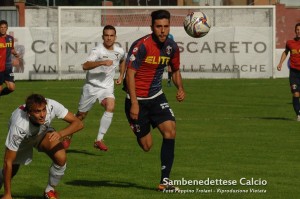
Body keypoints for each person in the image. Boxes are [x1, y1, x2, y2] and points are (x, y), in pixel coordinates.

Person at [124, 10, 185, 191]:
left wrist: (180, 88)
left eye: (166, 26)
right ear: (152, 27)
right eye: (159, 27)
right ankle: (138, 125)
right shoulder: (141, 45)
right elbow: (130, 74)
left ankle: (165, 181)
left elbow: (174, 71)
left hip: (157, 97)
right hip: (137, 100)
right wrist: (134, 103)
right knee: (147, 146)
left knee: (170, 130)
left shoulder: (172, 47)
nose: (162, 30)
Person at [0, 94, 83, 199]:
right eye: (37, 111)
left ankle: (49, 191)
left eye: (44, 110)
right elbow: (8, 161)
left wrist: (60, 134)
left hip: (42, 133)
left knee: (61, 157)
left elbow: (78, 123)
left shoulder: (52, 105)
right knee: (12, 170)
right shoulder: (19, 126)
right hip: (24, 140)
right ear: (29, 113)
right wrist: (8, 194)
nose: (42, 114)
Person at [63, 25, 125, 151]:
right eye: (106, 35)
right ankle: (67, 136)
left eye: (111, 35)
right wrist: (102, 62)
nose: (109, 38)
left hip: (107, 87)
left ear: (115, 37)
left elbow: (123, 60)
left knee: (111, 106)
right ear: (103, 37)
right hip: (91, 87)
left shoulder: (120, 51)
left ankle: (99, 140)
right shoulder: (97, 51)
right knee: (81, 116)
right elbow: (85, 66)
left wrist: (121, 75)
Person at [277, 23, 300, 121]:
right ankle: (298, 114)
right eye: (297, 29)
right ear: (295, 31)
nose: (299, 31)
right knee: (296, 93)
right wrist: (280, 63)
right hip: (294, 73)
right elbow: (286, 52)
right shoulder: (290, 42)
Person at [0, 20, 19, 96]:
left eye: (4, 27)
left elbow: (11, 48)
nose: (3, 29)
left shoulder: (10, 38)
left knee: (11, 87)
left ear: (7, 28)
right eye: (1, 27)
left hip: (8, 67)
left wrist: (16, 55)